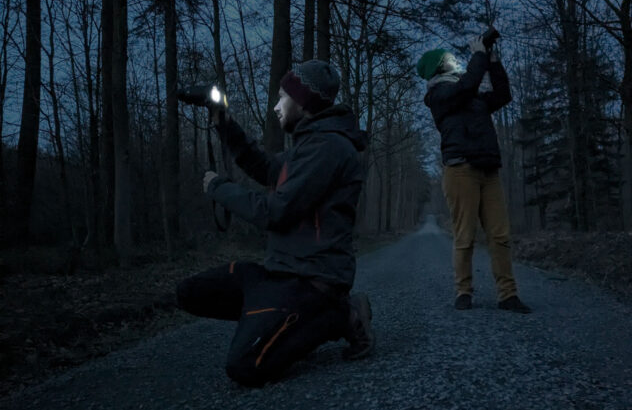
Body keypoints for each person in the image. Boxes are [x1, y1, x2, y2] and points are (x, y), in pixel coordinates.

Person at [176, 60, 374, 387]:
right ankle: (281, 323)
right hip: (278, 274)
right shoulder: (308, 145)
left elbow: (276, 212)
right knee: (190, 293)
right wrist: (222, 117)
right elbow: (264, 167)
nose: (275, 105)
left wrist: (218, 188)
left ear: (303, 101)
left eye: (282, 97)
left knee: (244, 366)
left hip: (313, 282)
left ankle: (342, 316)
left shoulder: (330, 148)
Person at [418, 33, 531, 313]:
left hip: (488, 168)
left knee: (500, 235)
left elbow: (504, 95)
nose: (454, 61)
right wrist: (478, 53)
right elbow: (468, 84)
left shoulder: (472, 97)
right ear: (438, 68)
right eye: (448, 60)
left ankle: (508, 295)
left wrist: (492, 60)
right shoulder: (438, 96)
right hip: (460, 170)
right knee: (465, 235)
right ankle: (463, 292)